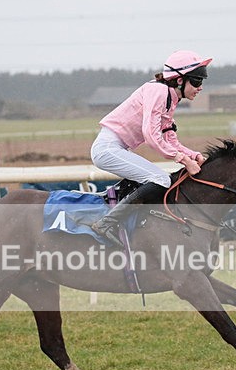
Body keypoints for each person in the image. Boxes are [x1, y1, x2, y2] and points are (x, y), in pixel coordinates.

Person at [90, 50, 212, 246]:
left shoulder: (170, 97)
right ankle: (106, 223)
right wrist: (183, 160)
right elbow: (151, 136)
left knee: (158, 178)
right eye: (197, 81)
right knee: (161, 179)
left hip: (116, 147)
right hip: (108, 148)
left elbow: (169, 139)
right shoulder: (159, 92)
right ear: (180, 80)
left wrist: (194, 155)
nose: (200, 87)